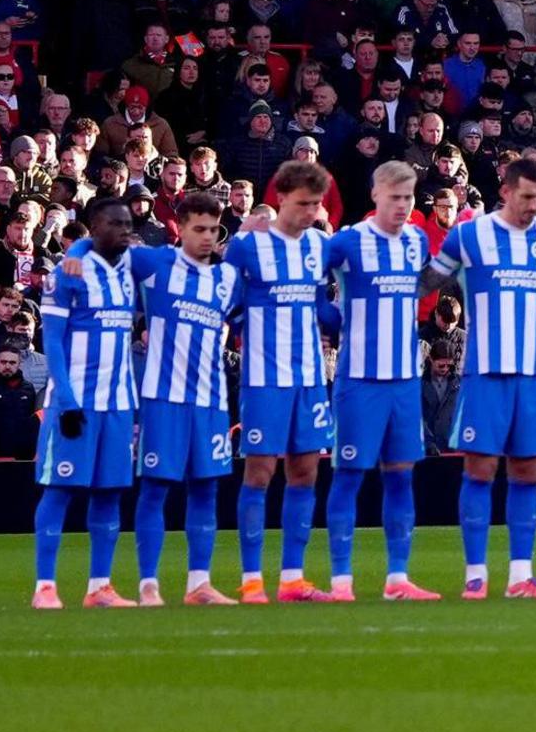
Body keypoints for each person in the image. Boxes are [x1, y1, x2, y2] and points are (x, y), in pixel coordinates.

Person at [439, 157, 536, 599]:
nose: (534, 205)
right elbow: (426, 281)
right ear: (507, 191)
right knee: (479, 469)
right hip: (485, 371)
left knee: (529, 471)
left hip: (534, 374)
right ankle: (475, 574)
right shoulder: (469, 233)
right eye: (527, 196)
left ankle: (520, 576)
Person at [226, 162, 340, 604]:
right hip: (263, 377)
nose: (311, 212)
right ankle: (252, 579)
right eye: (303, 204)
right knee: (259, 472)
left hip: (310, 376)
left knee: (305, 470)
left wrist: (344, 320)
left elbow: (321, 305)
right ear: (280, 199)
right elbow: (226, 302)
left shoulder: (319, 245)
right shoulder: (250, 248)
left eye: (316, 204)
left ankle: (293, 578)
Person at [325, 161, 439, 602]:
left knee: (400, 477)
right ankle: (340, 582)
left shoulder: (416, 240)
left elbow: (428, 280)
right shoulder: (349, 241)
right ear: (375, 195)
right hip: (360, 380)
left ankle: (397, 579)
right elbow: (311, 284)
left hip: (405, 381)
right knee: (349, 476)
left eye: (408, 198)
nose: (402, 206)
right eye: (394, 197)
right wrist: (331, 319)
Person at [126, 192, 244, 605]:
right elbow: (105, 241)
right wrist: (81, 249)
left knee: (206, 491)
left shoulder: (228, 279)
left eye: (213, 229)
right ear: (180, 229)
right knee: (156, 490)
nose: (208, 237)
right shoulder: (156, 264)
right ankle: (148, 585)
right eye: (199, 229)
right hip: (164, 399)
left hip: (211, 403)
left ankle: (199, 584)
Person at [30, 197, 140, 608]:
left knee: (109, 493)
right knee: (59, 489)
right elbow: (53, 341)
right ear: (95, 226)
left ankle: (100, 587)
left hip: (118, 401)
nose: (125, 230)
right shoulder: (68, 273)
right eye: (116, 223)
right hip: (76, 402)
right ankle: (45, 587)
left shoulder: (130, 268)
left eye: (129, 222)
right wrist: (68, 401)